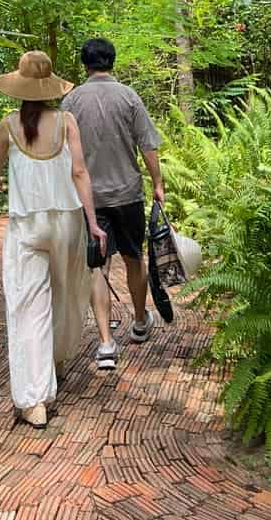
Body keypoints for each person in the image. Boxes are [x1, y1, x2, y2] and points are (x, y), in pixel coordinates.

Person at [0, 50, 107, 429]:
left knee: (27, 308)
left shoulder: (7, 125)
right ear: (50, 87)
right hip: (67, 223)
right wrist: (93, 223)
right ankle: (55, 358)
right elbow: (79, 173)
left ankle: (34, 400)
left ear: (20, 87)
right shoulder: (66, 121)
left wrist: (1, 183)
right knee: (66, 293)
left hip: (27, 226)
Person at [61, 38, 164, 371]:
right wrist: (158, 184)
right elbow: (148, 145)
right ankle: (138, 321)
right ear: (112, 62)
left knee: (98, 268)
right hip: (128, 193)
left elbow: (62, 154)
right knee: (135, 258)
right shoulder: (129, 96)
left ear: (85, 64)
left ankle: (106, 343)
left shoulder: (71, 100)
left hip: (90, 200)